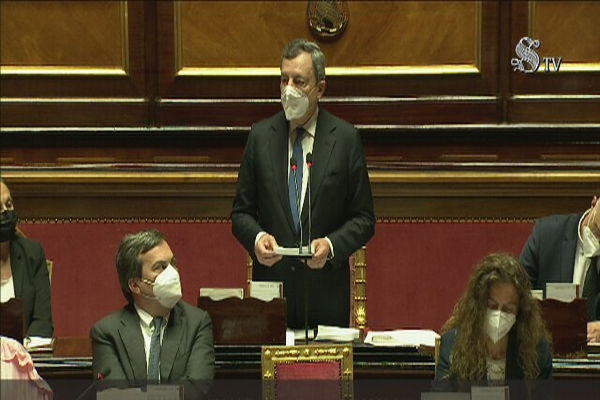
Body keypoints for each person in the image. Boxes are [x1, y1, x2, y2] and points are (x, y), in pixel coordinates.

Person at [231, 38, 375, 329]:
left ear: (320, 89)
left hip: (325, 297)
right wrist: (258, 239)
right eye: (283, 80)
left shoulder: (345, 139)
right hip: (272, 295)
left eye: (299, 82)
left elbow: (364, 219)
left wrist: (331, 246)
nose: (289, 90)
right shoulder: (260, 137)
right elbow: (240, 213)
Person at [90, 229, 214, 385]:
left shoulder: (197, 323)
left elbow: (196, 388)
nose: (172, 273)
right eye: (160, 267)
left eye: (173, 263)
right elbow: (114, 393)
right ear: (135, 285)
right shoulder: (107, 332)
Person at [436, 253, 552, 385]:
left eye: (508, 309)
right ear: (478, 305)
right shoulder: (453, 345)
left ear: (520, 311)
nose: (499, 315)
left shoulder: (537, 351)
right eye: (492, 306)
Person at [519, 196, 600, 343]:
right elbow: (513, 296)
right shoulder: (546, 236)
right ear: (594, 202)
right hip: (549, 349)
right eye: (598, 232)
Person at [0, 179, 53, 338]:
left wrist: (17, 350)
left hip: (24, 351)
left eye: (8, 204)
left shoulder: (32, 253)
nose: (6, 212)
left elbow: (43, 323)